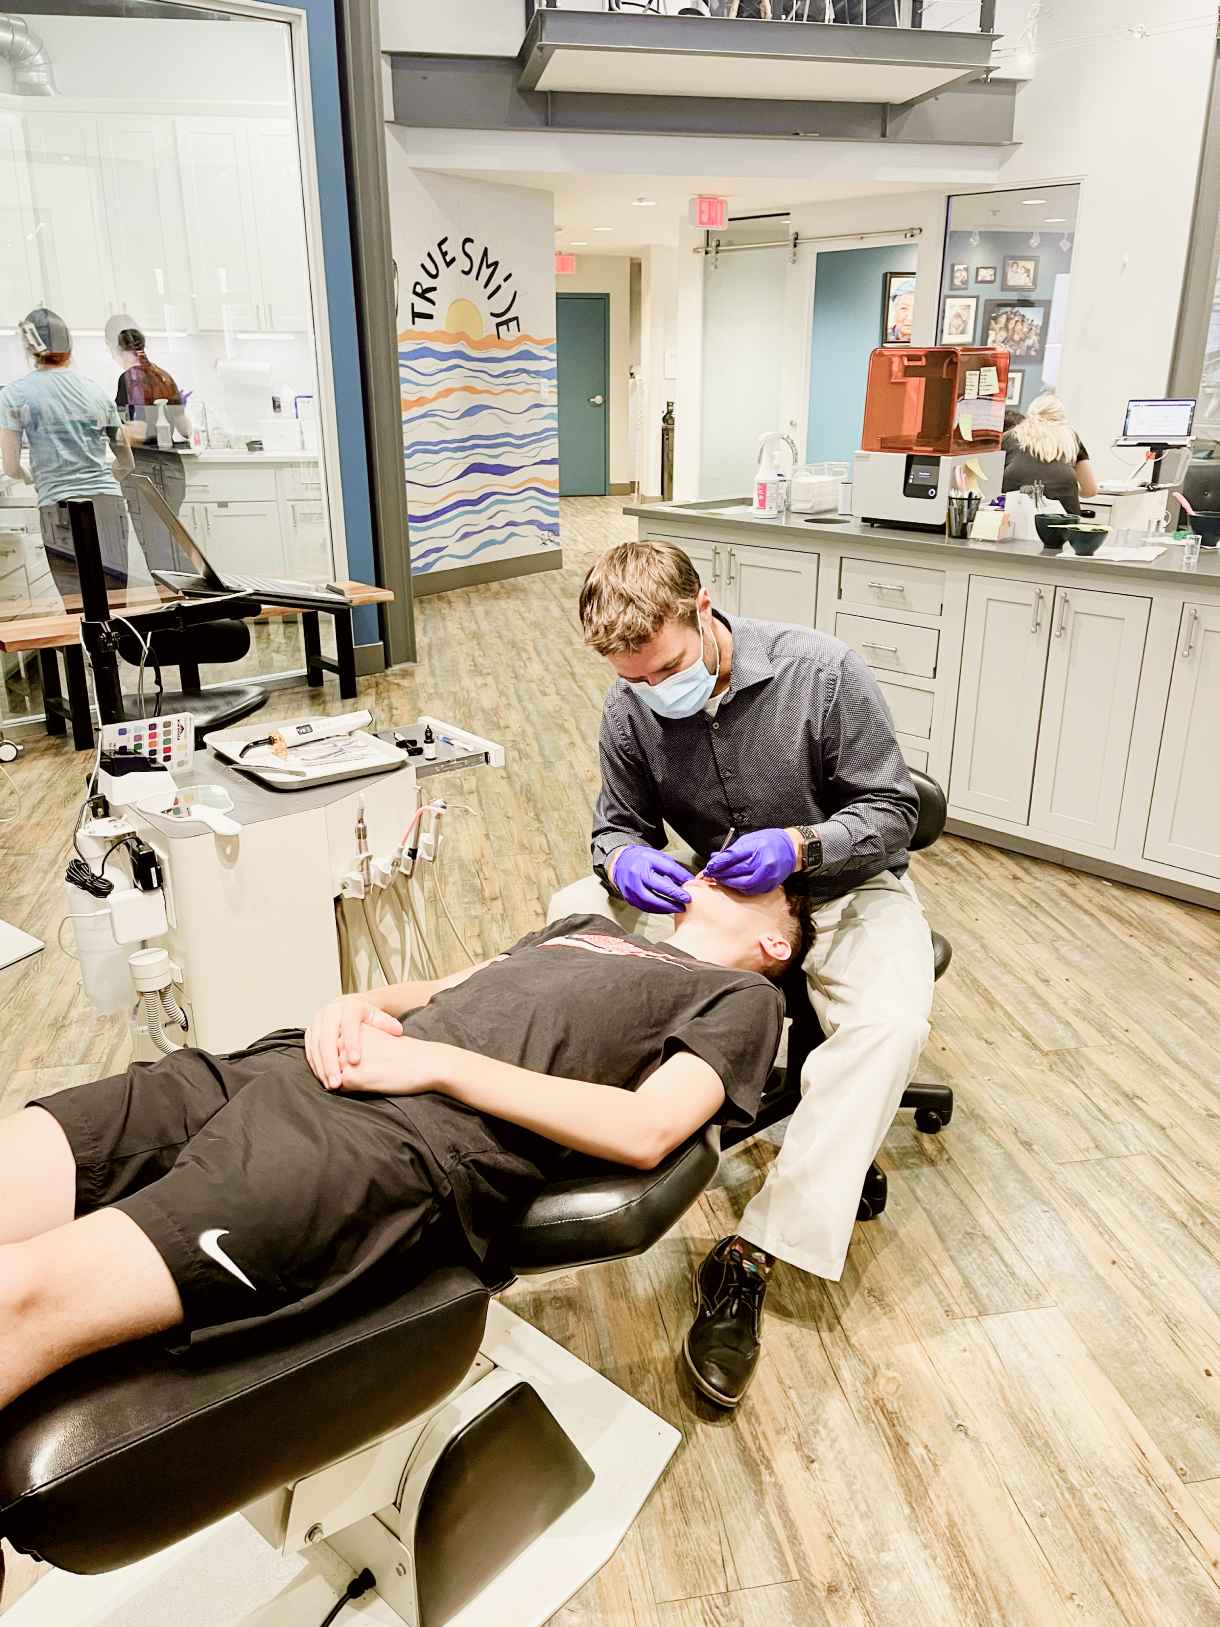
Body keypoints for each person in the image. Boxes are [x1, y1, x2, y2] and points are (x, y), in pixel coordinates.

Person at [0, 879, 811, 1436]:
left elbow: (647, 1126)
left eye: (753, 874)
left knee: (22, 1292)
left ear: (777, 937)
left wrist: (435, 1067)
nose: (723, 856)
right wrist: (357, 1001)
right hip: (299, 1061)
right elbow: (438, 990)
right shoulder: (590, 928)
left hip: (404, 1136)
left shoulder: (746, 998)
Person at [551, 540, 932, 1409]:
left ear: (705, 607)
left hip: (844, 887)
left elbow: (895, 813)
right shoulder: (632, 703)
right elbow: (615, 828)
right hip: (717, 894)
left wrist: (804, 843)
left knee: (892, 1023)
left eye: (670, 669)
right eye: (635, 679)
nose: (655, 692)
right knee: (570, 902)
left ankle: (749, 1252)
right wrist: (621, 864)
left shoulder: (823, 673)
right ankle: (555, 1129)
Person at [0, 308, 134, 602]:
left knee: (78, 606)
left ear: (29, 349)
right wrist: (103, 477)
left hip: (59, 507)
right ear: (69, 345)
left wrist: (32, 476)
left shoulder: (14, 395)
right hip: (108, 504)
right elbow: (126, 460)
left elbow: (10, 466)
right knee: (115, 605)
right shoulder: (95, 392)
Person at [104, 315, 192, 550]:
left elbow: (138, 432)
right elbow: (185, 429)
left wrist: (105, 428)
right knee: (171, 546)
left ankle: (185, 588)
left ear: (114, 348)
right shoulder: (164, 376)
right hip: (173, 472)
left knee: (157, 551)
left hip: (147, 473)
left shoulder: (130, 378)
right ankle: (188, 587)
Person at [1001, 391, 1097, 515]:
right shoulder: (1071, 439)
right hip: (1063, 522)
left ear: (1030, 412)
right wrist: (1064, 487)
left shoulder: (1010, 437)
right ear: (1061, 416)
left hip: (1015, 518)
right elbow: (1090, 490)